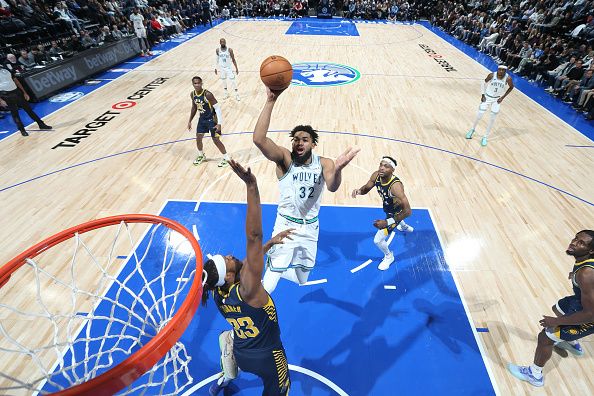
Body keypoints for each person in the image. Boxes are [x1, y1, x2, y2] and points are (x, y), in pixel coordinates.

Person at [253, 86, 359, 293]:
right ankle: (271, 275)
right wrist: (270, 101)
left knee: (302, 279)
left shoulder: (325, 163)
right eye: (296, 139)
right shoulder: (285, 159)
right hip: (285, 226)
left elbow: (333, 186)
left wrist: (338, 170)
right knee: (268, 288)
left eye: (305, 139)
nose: (299, 142)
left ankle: (275, 267)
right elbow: (259, 139)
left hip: (311, 228)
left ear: (313, 144)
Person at [203, 160, 291, 396]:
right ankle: (229, 361)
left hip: (242, 351)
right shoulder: (249, 289)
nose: (231, 255)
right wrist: (251, 185)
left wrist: (267, 245)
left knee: (231, 334)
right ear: (230, 275)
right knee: (281, 390)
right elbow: (253, 237)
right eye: (228, 259)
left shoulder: (215, 290)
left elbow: (247, 264)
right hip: (268, 356)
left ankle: (226, 374)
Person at [508, 230, 594, 387]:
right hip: (580, 302)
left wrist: (555, 321)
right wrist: (576, 275)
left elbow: (590, 314)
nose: (574, 242)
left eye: (581, 243)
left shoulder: (586, 274)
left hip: (590, 316)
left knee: (545, 337)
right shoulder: (585, 265)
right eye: (576, 238)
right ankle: (570, 340)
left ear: (591, 251)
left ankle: (535, 375)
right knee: (558, 307)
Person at [351, 156, 413, 270]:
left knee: (378, 240)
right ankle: (403, 226)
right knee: (393, 215)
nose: (382, 168)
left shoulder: (395, 186)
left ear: (392, 170)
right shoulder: (376, 175)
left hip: (396, 213)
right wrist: (359, 191)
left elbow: (408, 211)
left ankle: (389, 256)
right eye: (381, 164)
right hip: (388, 208)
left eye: (386, 166)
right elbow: (366, 188)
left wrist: (387, 222)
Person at [0, 56, 52, 137]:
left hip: (16, 92)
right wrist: (0, 100)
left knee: (29, 110)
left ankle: (41, 124)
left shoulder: (5, 69)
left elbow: (15, 80)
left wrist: (24, 92)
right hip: (5, 95)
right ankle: (22, 130)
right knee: (15, 114)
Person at [187, 76, 230, 167]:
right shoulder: (192, 94)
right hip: (202, 119)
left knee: (216, 140)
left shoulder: (208, 94)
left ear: (202, 83)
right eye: (195, 83)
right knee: (198, 138)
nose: (197, 85)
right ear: (193, 84)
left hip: (212, 120)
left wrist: (219, 123)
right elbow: (194, 107)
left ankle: (227, 158)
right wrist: (190, 120)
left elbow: (217, 108)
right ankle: (201, 155)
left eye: (199, 83)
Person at [466, 65, 514, 146]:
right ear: (497, 69)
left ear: (505, 71)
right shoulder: (491, 75)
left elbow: (511, 87)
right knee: (480, 115)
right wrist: (482, 94)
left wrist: (502, 97)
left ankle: (485, 137)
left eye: (503, 70)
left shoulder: (508, 78)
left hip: (497, 99)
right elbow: (483, 83)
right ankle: (472, 130)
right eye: (500, 69)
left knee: (492, 118)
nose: (501, 71)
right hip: (487, 97)